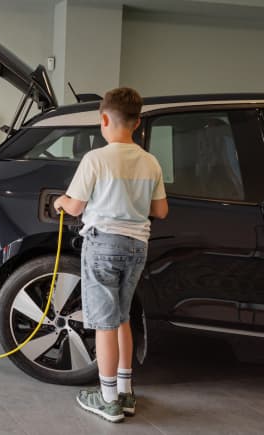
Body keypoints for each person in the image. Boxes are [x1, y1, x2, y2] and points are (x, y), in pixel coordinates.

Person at [53, 87, 168, 423]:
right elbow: (160, 210)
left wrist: (61, 201)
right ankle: (125, 392)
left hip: (103, 245)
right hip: (137, 247)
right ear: (137, 122)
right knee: (121, 318)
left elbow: (76, 206)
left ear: (104, 120)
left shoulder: (96, 159)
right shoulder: (150, 161)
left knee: (104, 324)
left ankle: (107, 400)